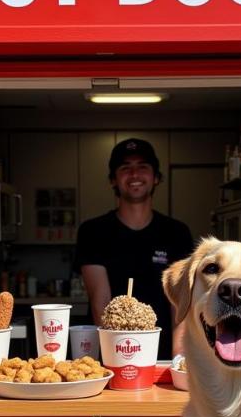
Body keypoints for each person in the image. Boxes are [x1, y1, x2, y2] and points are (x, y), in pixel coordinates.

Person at [75, 138, 194, 359]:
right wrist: (117, 358)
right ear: (113, 179)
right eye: (125, 168)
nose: (135, 174)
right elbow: (100, 300)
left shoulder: (176, 233)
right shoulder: (93, 231)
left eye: (143, 167)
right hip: (112, 354)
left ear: (156, 177)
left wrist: (179, 360)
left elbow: (180, 304)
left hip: (162, 354)